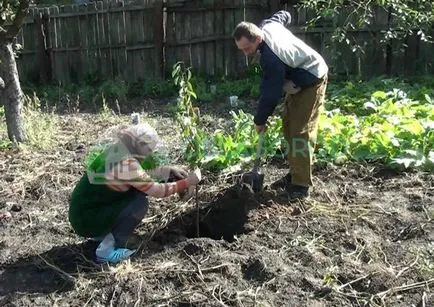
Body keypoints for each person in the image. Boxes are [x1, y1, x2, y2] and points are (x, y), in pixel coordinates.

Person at [68, 123, 201, 264]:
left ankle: (103, 234)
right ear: (140, 144)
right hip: (86, 219)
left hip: (86, 211)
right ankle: (106, 252)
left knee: (137, 193)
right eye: (148, 149)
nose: (149, 153)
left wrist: (168, 170)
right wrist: (187, 182)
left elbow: (141, 175)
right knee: (139, 204)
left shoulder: (117, 150)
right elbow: (157, 191)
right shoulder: (126, 163)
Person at [232, 10, 328, 200]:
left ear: (258, 38)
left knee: (299, 131)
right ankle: (295, 174)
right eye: (241, 49)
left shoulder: (271, 59)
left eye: (247, 48)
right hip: (297, 81)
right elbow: (283, 15)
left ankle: (301, 187)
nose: (245, 53)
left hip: (312, 78)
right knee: (288, 126)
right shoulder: (268, 25)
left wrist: (260, 120)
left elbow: (271, 93)